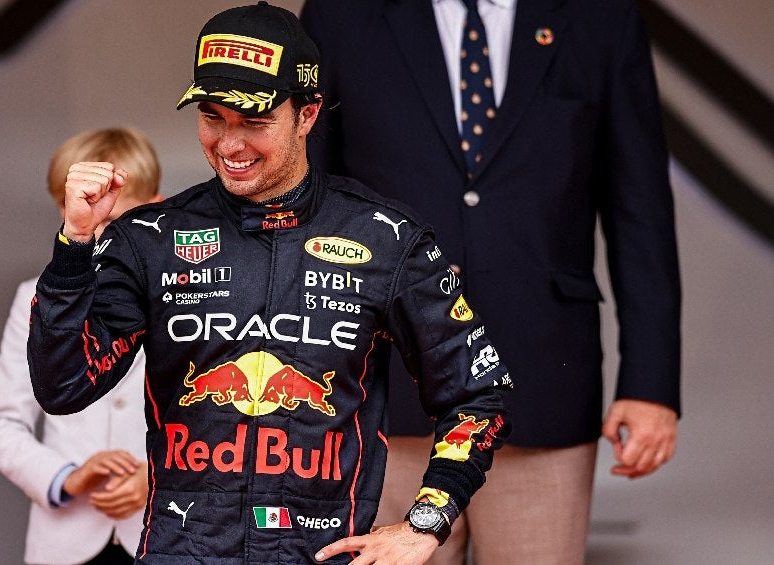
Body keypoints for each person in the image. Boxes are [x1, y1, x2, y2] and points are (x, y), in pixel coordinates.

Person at [27, 3, 512, 564]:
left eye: (253, 123)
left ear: (307, 114)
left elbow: (480, 391)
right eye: (212, 118)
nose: (229, 146)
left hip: (320, 554)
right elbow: (61, 388)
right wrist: (74, 246)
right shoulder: (150, 238)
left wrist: (425, 522)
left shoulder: (386, 239)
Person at [299, 0, 681, 562]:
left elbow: (639, 212)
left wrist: (651, 385)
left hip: (542, 387)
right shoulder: (342, 15)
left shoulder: (601, 17)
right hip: (376, 392)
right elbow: (304, 197)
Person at [0, 127, 162, 564]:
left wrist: (155, 475)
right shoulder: (32, 297)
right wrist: (68, 477)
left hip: (160, 533)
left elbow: (216, 415)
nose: (100, 237)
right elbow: (0, 424)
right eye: (82, 217)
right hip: (65, 542)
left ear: (157, 210)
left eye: (117, 223)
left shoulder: (184, 296)